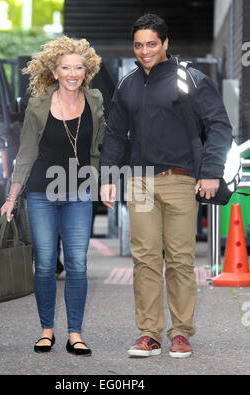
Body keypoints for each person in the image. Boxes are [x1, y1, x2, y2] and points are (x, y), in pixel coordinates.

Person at [100, 13, 232, 358]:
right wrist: (108, 177)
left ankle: (181, 332)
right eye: (139, 45)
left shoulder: (190, 79)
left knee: (180, 260)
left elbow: (219, 126)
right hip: (140, 182)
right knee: (144, 260)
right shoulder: (127, 84)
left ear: (165, 44)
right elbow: (114, 134)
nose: (144, 51)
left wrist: (211, 172)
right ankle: (148, 332)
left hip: (181, 181)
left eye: (151, 44)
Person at [1, 36, 105, 356]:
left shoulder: (96, 100)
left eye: (78, 67)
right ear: (55, 70)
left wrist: (101, 183)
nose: (73, 73)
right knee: (45, 264)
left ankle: (75, 333)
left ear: (86, 70)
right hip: (41, 194)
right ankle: (47, 330)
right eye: (66, 67)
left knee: (77, 264)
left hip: (79, 193)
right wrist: (12, 196)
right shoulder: (38, 103)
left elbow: (97, 149)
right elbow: (27, 152)